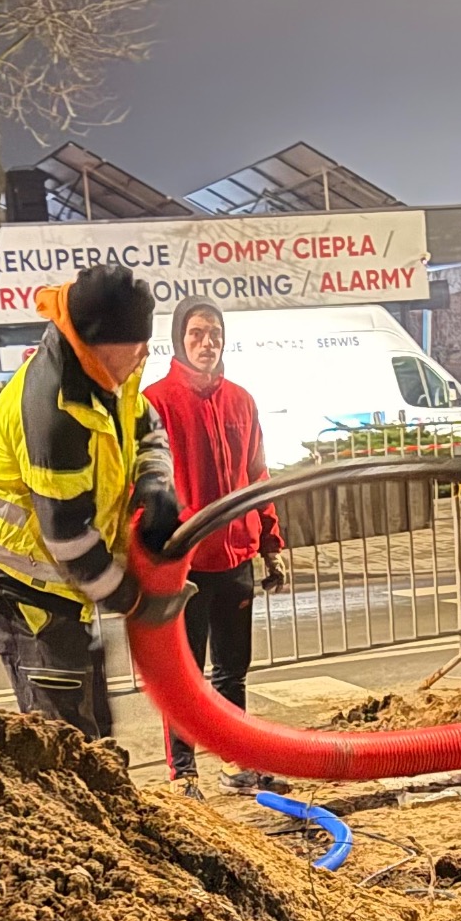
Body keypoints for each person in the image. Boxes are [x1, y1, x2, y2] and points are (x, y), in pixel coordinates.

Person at [0, 264, 179, 739]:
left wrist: (154, 486)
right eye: (135, 346)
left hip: (63, 586)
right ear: (96, 345)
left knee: (93, 721)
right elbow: (66, 537)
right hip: (24, 588)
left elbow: (150, 431)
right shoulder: (53, 411)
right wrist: (132, 598)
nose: (144, 353)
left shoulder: (110, 372)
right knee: (66, 737)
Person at [143, 296, 287, 795]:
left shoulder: (241, 401)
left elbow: (258, 477)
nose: (207, 343)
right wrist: (155, 557)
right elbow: (144, 488)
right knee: (185, 677)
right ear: (179, 339)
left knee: (232, 671)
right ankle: (183, 773)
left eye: (215, 334)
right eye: (197, 334)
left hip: (236, 558)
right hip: (186, 563)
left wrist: (270, 543)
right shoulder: (156, 403)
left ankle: (239, 760)